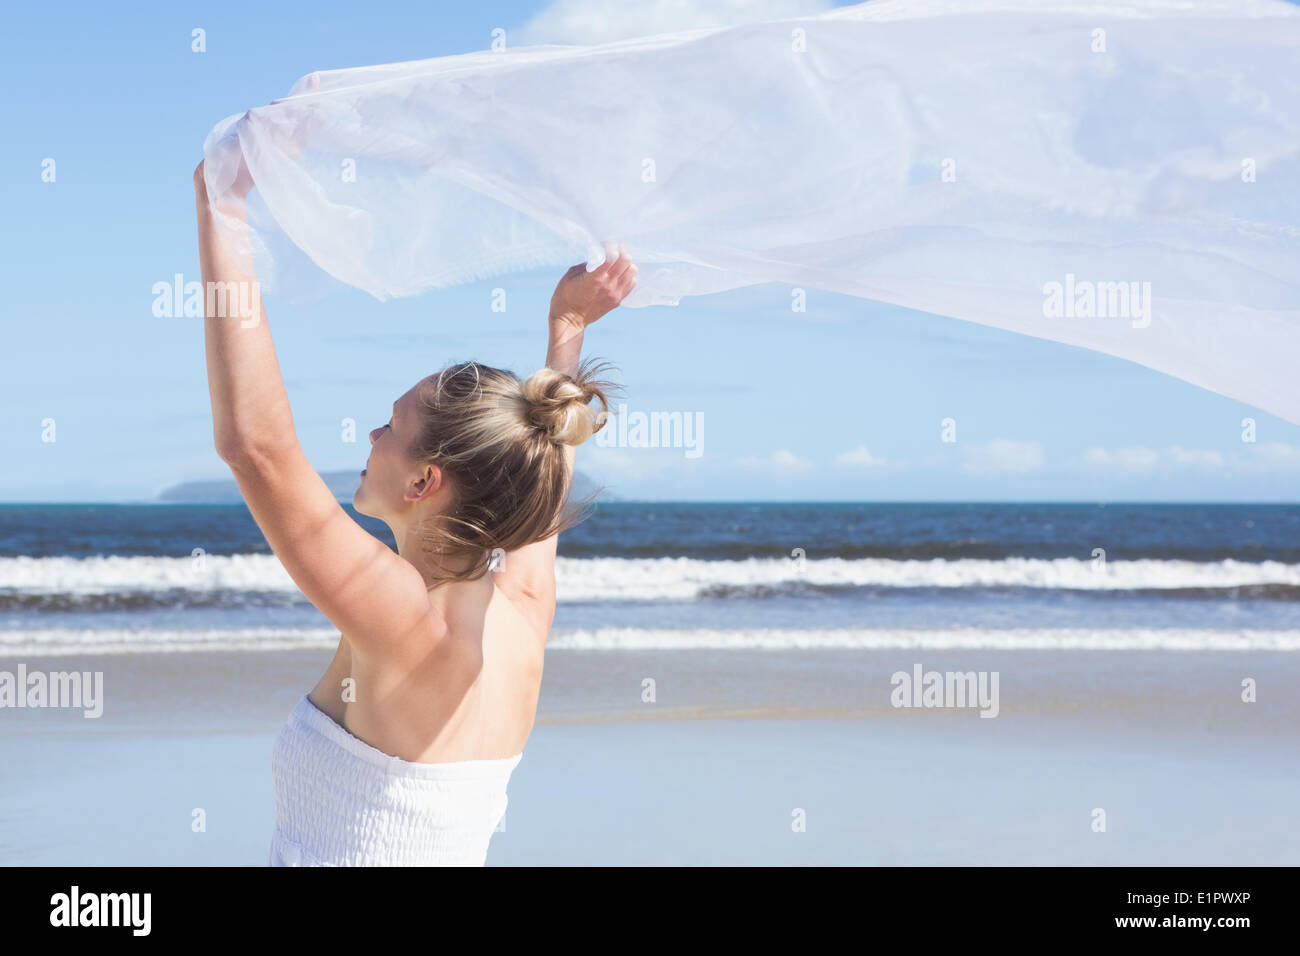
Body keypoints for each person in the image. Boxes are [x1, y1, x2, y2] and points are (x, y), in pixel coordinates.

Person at [193, 159, 636, 865]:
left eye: (390, 427)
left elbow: (258, 448)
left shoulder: (410, 621)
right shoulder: (519, 613)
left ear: (425, 480)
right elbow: (547, 455)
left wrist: (222, 206)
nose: (371, 438)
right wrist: (567, 328)